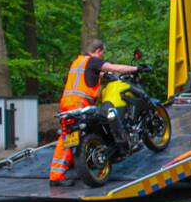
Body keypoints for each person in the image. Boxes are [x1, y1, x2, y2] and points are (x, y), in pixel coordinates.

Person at [49, 40, 140, 187]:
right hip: (80, 104)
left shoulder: (78, 62)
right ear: (98, 51)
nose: (103, 56)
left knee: (67, 136)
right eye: (103, 53)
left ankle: (56, 175)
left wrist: (102, 76)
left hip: (67, 103)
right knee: (108, 117)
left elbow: (89, 77)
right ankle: (119, 145)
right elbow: (114, 67)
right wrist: (136, 68)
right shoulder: (93, 61)